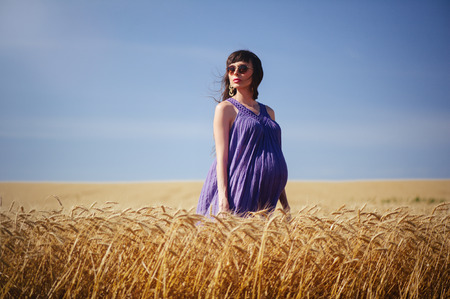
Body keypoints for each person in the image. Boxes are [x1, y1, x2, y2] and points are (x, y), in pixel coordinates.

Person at [197, 50, 290, 217]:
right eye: (231, 69)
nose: (235, 73)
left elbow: (275, 154)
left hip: (267, 194)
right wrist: (223, 200)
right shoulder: (225, 109)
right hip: (238, 187)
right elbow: (221, 158)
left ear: (256, 73)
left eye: (242, 68)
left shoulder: (269, 112)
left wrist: (285, 203)